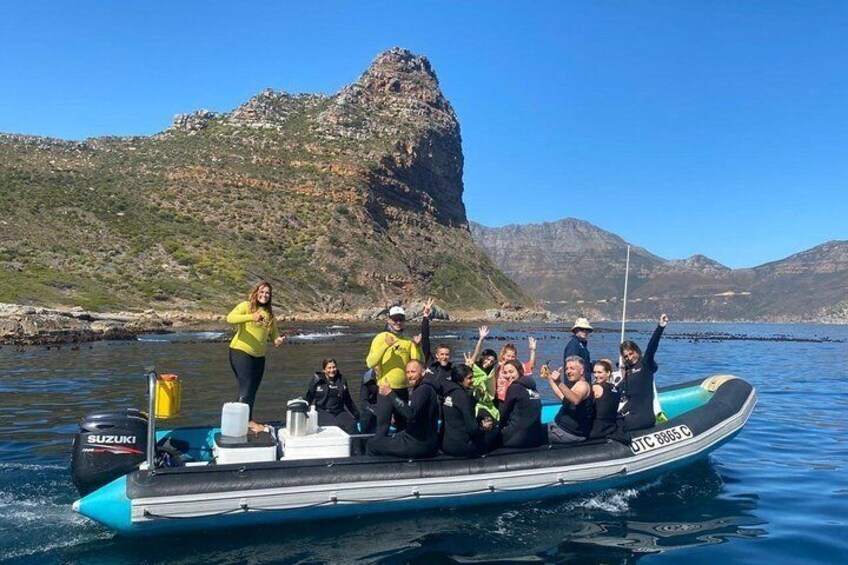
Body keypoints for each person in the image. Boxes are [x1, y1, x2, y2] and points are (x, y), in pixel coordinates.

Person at [226, 281, 285, 432]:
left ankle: (248, 419)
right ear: (256, 293)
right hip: (240, 351)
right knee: (245, 387)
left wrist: (277, 339)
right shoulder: (246, 306)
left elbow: (273, 332)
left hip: (259, 356)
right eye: (262, 292)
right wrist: (251, 317)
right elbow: (230, 318)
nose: (264, 295)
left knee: (253, 389)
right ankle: (243, 422)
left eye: (267, 293)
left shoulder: (270, 314)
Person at [366, 305, 422, 435]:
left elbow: (418, 364)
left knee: (403, 426)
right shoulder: (381, 338)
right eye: (395, 319)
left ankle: (401, 452)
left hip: (402, 390)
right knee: (383, 426)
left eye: (401, 319)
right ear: (388, 320)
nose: (398, 322)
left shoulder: (408, 341)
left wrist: (418, 347)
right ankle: (378, 452)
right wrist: (386, 345)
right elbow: (370, 362)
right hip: (385, 390)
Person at [366, 360, 440, 458]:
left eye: (413, 372)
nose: (410, 375)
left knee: (372, 444)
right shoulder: (428, 388)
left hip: (417, 444)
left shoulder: (423, 389)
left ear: (423, 372)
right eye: (407, 372)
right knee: (394, 436)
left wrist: (390, 393)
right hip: (422, 439)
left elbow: (410, 414)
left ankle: (376, 470)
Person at [619, 313, 669, 432]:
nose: (629, 358)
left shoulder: (645, 364)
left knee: (609, 428)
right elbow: (632, 401)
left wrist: (660, 327)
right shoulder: (628, 372)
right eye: (626, 356)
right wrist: (620, 412)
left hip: (644, 419)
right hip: (632, 417)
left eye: (631, 354)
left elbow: (651, 347)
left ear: (636, 351)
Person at [441, 364, 501, 457]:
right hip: (462, 448)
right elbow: (473, 430)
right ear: (460, 380)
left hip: (447, 445)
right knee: (496, 432)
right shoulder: (463, 397)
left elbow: (460, 414)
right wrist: (483, 427)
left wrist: (475, 398)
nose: (473, 380)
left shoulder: (448, 392)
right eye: (469, 378)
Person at [498, 359, 547, 449]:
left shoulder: (514, 387)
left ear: (520, 371)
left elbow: (504, 414)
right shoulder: (532, 387)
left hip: (518, 438)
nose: (508, 375)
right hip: (536, 437)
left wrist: (498, 429)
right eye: (505, 372)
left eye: (511, 372)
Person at [304, 358, 360, 435]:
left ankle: (356, 446)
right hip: (322, 411)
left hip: (338, 411)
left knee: (352, 425)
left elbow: (348, 400)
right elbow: (309, 397)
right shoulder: (317, 380)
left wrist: (357, 416)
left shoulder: (341, 380)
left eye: (334, 367)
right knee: (335, 426)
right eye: (329, 368)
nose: (332, 370)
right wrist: (303, 413)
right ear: (324, 370)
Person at [545, 356, 594, 444]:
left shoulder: (583, 385)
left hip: (567, 433)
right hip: (561, 430)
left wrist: (559, 382)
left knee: (532, 432)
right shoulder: (576, 385)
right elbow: (563, 396)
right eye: (567, 368)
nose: (568, 371)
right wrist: (551, 379)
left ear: (582, 371)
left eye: (572, 368)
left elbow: (575, 399)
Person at [419, 298, 453, 389]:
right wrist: (426, 316)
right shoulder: (430, 363)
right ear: (437, 355)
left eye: (447, 354)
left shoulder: (452, 370)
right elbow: (425, 338)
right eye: (442, 354)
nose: (444, 357)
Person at [495, 338, 537, 408]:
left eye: (513, 357)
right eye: (508, 356)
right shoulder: (497, 366)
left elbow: (531, 366)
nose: (510, 358)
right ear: (503, 355)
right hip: (500, 400)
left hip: (514, 399)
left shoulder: (518, 366)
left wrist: (532, 350)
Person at [588, 359, 621, 439]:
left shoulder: (596, 388)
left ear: (608, 373)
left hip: (596, 431)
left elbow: (574, 400)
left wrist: (555, 382)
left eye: (599, 372)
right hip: (611, 428)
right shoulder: (616, 389)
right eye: (594, 372)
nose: (596, 375)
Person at [358, 366, 379, 434]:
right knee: (366, 416)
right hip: (372, 407)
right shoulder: (367, 378)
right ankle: (364, 439)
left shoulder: (392, 377)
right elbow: (364, 402)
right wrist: (376, 412)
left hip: (388, 405)